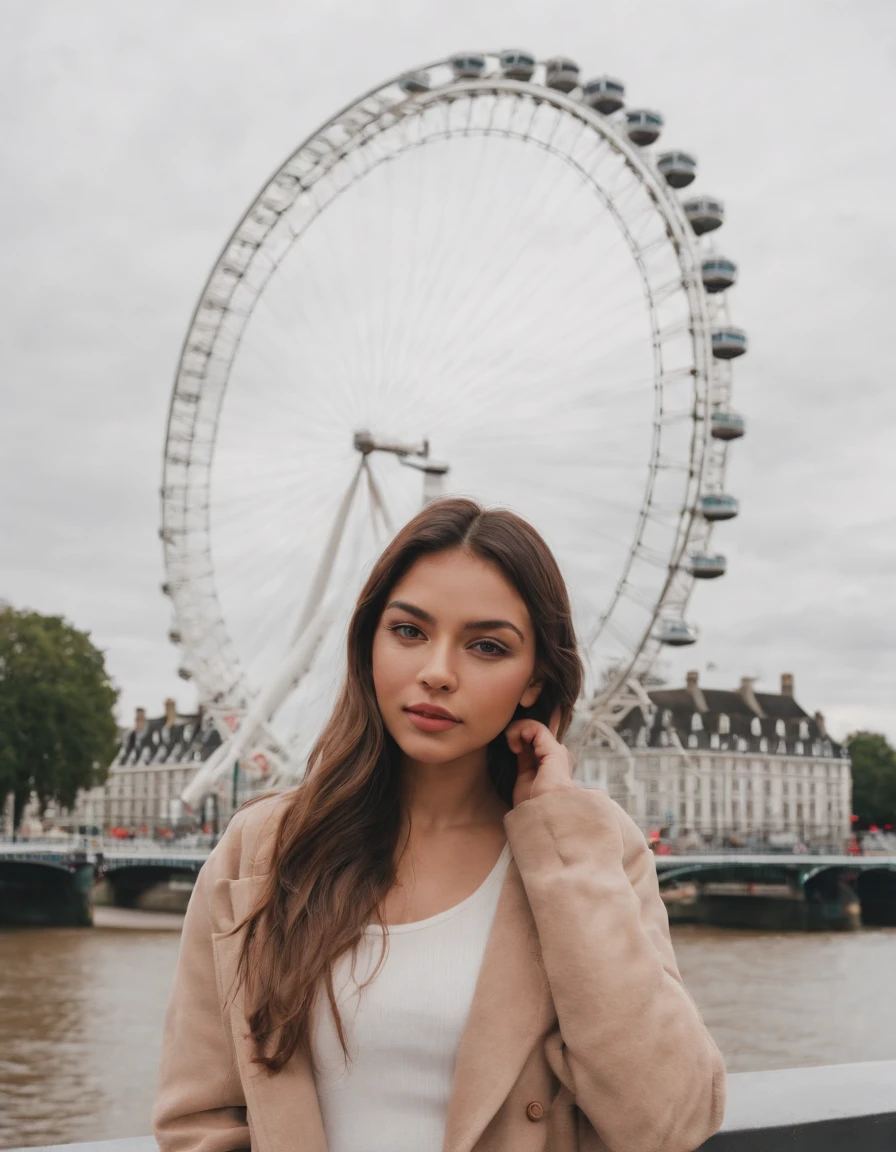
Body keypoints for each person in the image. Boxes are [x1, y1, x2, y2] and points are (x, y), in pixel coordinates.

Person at [152, 497, 726, 1152]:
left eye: (486, 646)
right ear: (368, 641)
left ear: (535, 679)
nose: (436, 673)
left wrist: (559, 841)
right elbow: (198, 1123)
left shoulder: (593, 851)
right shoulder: (257, 854)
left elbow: (671, 1121)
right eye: (409, 631)